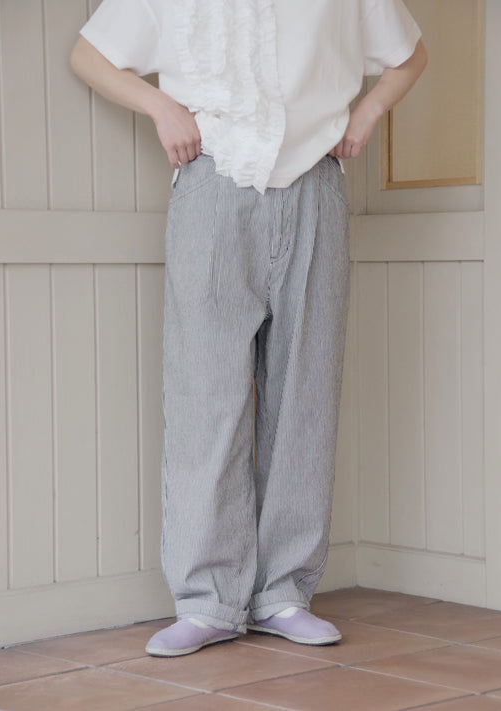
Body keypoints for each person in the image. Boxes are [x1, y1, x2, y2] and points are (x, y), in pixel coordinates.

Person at [71, 0, 427, 657]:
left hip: (315, 186)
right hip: (213, 186)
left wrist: (368, 112)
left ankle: (284, 593)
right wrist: (160, 107)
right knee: (205, 396)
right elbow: (88, 54)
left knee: (305, 396)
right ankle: (207, 600)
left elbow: (409, 54)